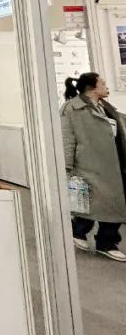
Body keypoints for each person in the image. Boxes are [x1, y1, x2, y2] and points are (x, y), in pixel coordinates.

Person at [62, 73, 126, 262]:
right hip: (88, 164)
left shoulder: (106, 107)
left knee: (112, 204)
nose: (107, 87)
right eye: (103, 83)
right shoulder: (71, 108)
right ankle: (80, 231)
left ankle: (106, 241)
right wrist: (66, 165)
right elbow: (67, 138)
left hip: (112, 164)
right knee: (88, 202)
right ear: (92, 87)